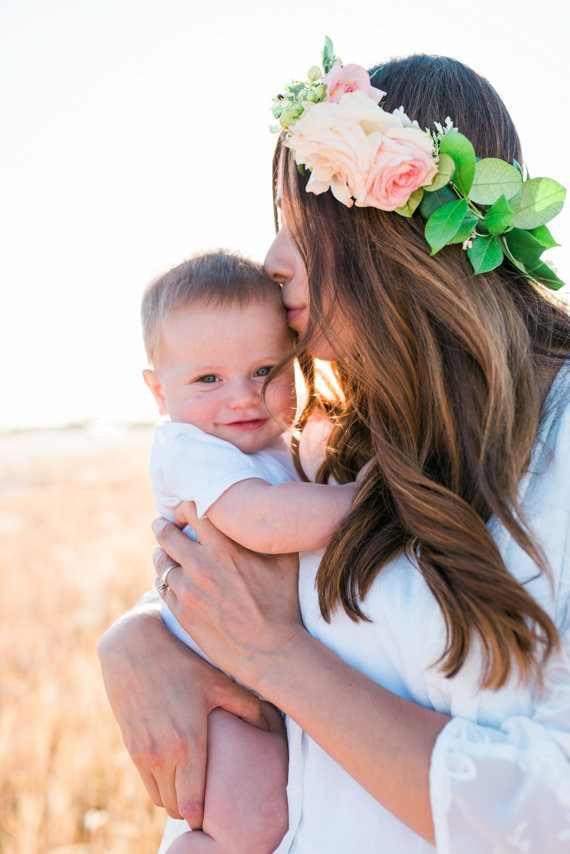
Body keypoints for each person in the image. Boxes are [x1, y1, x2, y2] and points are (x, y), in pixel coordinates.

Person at [99, 48, 570, 853]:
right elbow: (247, 551)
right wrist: (136, 639)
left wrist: (276, 659)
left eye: (304, 219)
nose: (274, 260)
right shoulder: (344, 436)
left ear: (404, 225)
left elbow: (549, 808)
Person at [139, 249, 358, 852]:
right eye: (208, 379)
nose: (242, 397)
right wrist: (366, 499)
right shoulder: (186, 447)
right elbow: (262, 520)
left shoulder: (279, 442)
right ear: (159, 391)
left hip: (266, 674)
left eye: (265, 370)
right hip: (216, 683)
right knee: (251, 825)